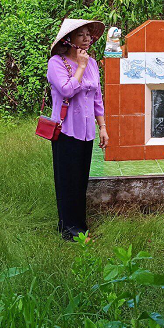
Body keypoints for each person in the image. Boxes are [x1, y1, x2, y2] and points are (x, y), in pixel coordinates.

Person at [47, 19, 109, 242]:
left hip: (86, 131)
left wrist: (102, 127)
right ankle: (68, 229)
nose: (87, 39)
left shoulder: (92, 63)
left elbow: (97, 99)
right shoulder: (57, 63)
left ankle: (80, 226)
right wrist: (80, 67)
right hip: (66, 131)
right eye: (81, 35)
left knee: (81, 179)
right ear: (68, 40)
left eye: (88, 35)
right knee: (67, 180)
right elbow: (66, 90)